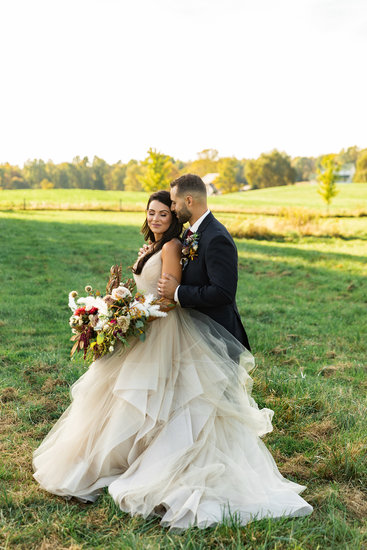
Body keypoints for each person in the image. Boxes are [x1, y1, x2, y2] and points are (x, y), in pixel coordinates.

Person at [32, 189, 313, 530]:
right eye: (151, 212)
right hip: (144, 329)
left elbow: (167, 301)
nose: (155, 217)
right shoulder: (155, 245)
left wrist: (133, 316)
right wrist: (116, 309)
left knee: (159, 402)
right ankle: (117, 462)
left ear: (175, 216)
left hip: (163, 332)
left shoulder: (172, 246)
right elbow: (150, 290)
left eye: (164, 213)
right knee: (128, 401)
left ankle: (155, 468)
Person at [158, 174, 250, 350]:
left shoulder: (217, 238)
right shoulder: (190, 233)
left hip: (218, 338)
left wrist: (177, 292)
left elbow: (223, 293)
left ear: (189, 201)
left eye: (174, 202)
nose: (172, 208)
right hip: (196, 334)